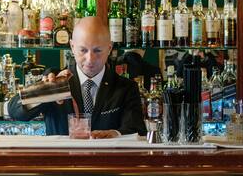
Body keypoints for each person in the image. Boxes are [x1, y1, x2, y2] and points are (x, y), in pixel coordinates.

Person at [8, 17, 147, 137]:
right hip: (63, 164)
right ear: (72, 47)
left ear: (109, 48)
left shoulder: (126, 88)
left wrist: (116, 134)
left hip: (106, 164)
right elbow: (15, 112)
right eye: (83, 50)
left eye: (97, 50)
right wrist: (44, 91)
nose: (90, 59)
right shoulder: (56, 81)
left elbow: (137, 130)